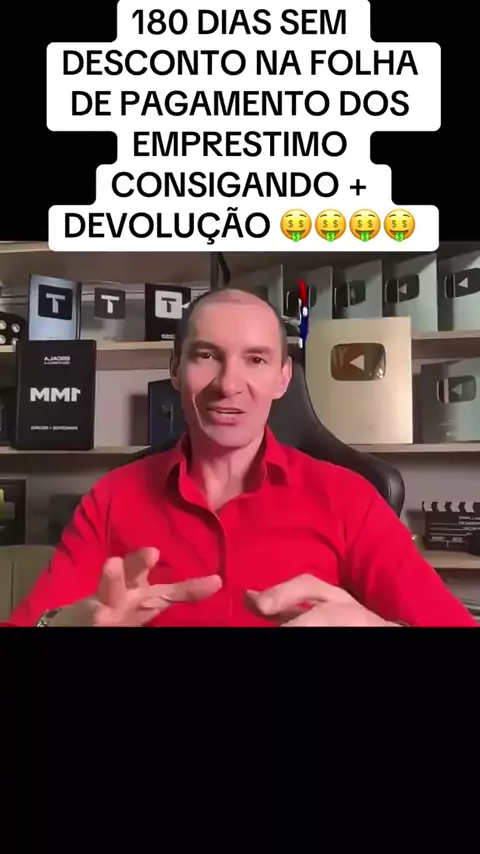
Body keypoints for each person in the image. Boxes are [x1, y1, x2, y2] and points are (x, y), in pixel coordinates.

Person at [4, 288, 476, 628]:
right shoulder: (112, 497)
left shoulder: (350, 499)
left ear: (283, 378)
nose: (229, 384)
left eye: (256, 359)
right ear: (175, 368)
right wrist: (64, 625)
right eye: (207, 355)